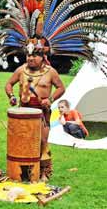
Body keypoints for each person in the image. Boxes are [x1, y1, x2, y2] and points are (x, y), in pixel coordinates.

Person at [5, 38, 65, 182]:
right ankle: (24, 170)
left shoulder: (50, 72)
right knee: (23, 140)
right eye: (28, 55)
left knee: (43, 141)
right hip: (24, 110)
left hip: (41, 112)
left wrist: (50, 100)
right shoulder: (21, 70)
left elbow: (61, 88)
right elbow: (9, 84)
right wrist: (12, 96)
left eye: (34, 56)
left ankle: (44, 171)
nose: (30, 58)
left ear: (42, 57)